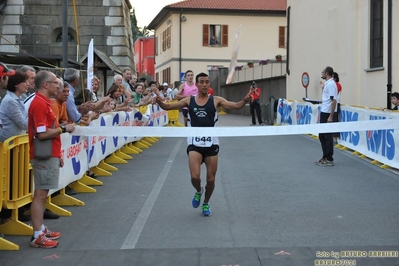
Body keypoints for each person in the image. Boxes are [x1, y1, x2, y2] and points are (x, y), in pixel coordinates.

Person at [155, 72, 252, 217]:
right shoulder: (189, 100)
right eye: (202, 82)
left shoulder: (216, 100)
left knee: (211, 179)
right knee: (195, 177)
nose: (205, 84)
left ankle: (206, 202)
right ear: (197, 84)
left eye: (207, 82)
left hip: (211, 144)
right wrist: (159, 102)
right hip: (194, 143)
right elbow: (169, 107)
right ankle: (198, 191)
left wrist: (245, 99)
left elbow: (236, 106)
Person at [28, 70, 75, 248]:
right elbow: (41, 134)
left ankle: (40, 230)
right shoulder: (39, 104)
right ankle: (37, 235)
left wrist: (58, 153)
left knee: (42, 194)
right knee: (40, 195)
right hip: (43, 155)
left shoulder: (45, 102)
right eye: (55, 82)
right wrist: (64, 129)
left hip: (49, 153)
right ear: (45, 85)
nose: (58, 85)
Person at [315, 66, 338, 167]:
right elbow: (327, 98)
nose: (322, 73)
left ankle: (329, 158)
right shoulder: (327, 84)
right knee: (322, 135)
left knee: (327, 136)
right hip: (324, 111)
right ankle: (325, 156)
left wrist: (331, 116)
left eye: (323, 72)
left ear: (327, 73)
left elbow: (334, 100)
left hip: (327, 113)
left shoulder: (331, 84)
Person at [0, 70, 28, 142]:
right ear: (16, 84)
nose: (27, 84)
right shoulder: (10, 101)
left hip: (17, 143)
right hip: (9, 144)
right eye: (24, 82)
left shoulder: (18, 98)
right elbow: (24, 125)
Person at [332, 72, 342, 144]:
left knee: (335, 120)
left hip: (336, 103)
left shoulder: (337, 85)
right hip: (334, 103)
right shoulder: (334, 85)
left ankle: (335, 138)